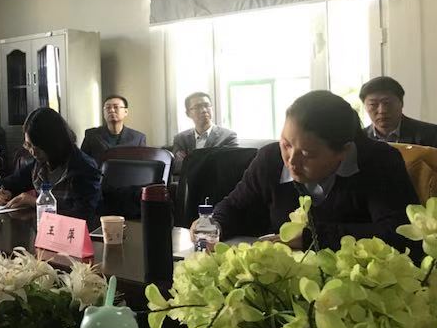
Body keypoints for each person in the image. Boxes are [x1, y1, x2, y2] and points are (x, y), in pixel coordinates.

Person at [200, 90, 418, 252]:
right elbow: (235, 206)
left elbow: (399, 233)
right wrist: (214, 224)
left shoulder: (379, 162)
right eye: (286, 144)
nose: (291, 161)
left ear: (344, 151)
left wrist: (313, 238)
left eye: (308, 154)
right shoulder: (270, 159)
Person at [0, 108, 101, 227]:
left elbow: (83, 216)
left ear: (54, 143)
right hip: (45, 231)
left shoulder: (84, 168)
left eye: (38, 147)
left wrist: (37, 203)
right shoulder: (38, 165)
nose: (33, 152)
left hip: (74, 234)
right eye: (28, 145)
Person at [360, 76, 437, 147]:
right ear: (365, 106)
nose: (382, 110)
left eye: (387, 103)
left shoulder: (431, 134)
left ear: (401, 103)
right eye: (373, 104)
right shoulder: (359, 139)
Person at [171, 92, 238, 174]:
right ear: (188, 113)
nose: (204, 110)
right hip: (188, 182)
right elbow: (177, 167)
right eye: (197, 107)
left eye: (207, 105)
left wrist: (189, 160)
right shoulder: (180, 138)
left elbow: (229, 167)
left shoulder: (228, 136)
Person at [80, 95, 147, 165]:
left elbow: (142, 166)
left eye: (116, 107)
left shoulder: (138, 138)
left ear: (126, 112)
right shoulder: (91, 135)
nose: (111, 110)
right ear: (104, 112)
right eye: (108, 107)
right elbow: (82, 162)